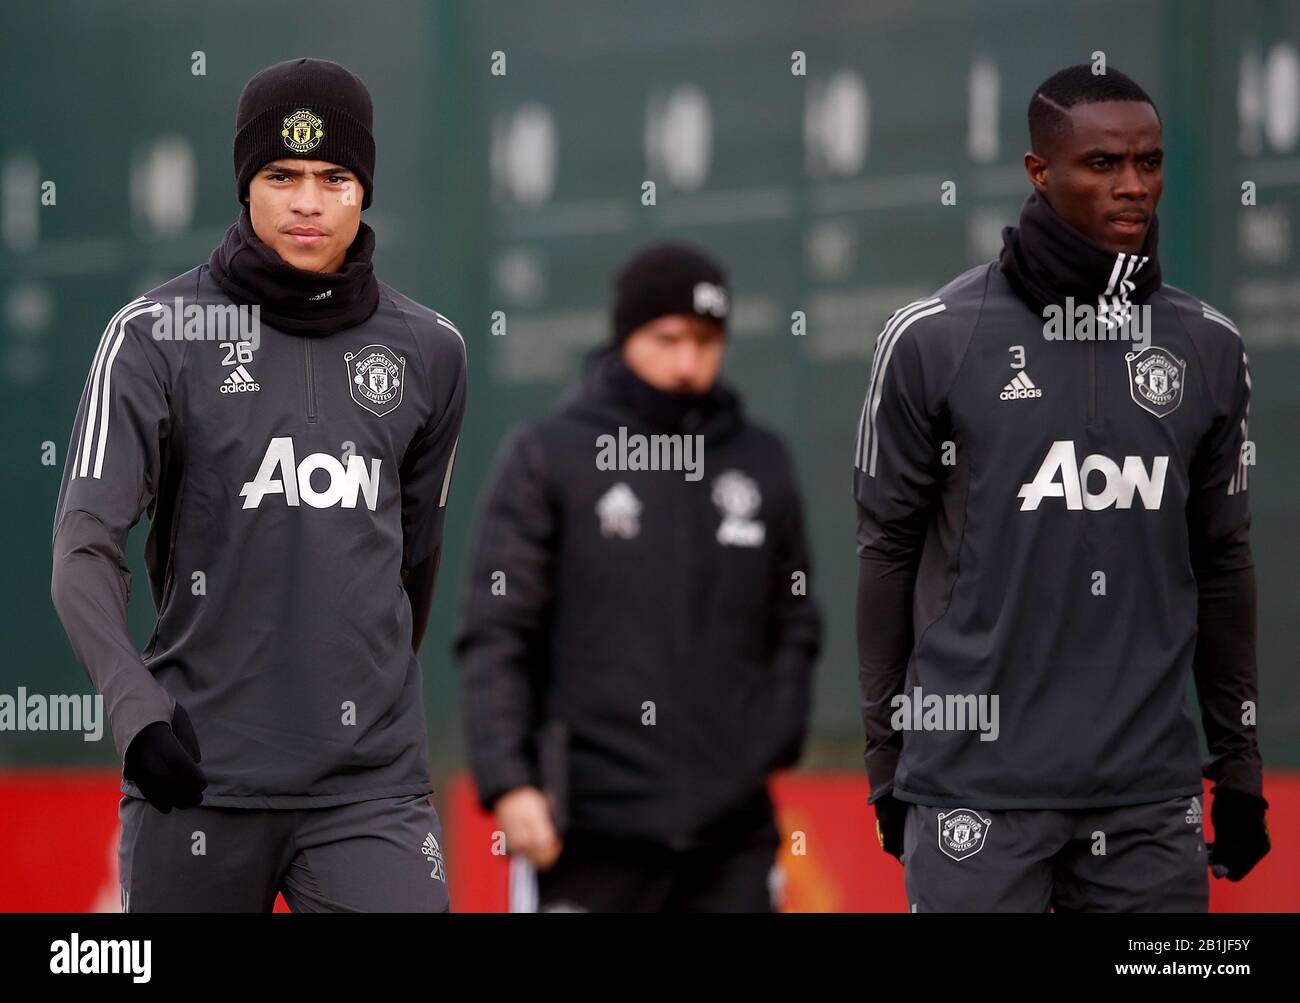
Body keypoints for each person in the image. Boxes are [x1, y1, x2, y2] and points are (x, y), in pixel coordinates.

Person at [50, 57, 466, 912]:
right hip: (196, 776)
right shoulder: (153, 336)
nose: (308, 201)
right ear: (246, 184)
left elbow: (412, 564)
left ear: (364, 188)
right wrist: (136, 712)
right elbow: (83, 547)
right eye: (281, 175)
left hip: (370, 790)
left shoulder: (432, 350)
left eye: (333, 177)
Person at [854, 65, 1269, 912]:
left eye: (1149, 163)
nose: (1133, 185)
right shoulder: (933, 338)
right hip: (974, 790)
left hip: (1149, 798)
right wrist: (886, 758)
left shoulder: (1208, 347)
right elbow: (886, 551)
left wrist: (1240, 764)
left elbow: (1223, 562)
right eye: (1103, 163)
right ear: (1040, 172)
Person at [458, 241, 821, 912]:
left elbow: (795, 622)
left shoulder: (760, 460)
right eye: (667, 339)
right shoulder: (550, 454)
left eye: (706, 341)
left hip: (731, 836)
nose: (687, 363)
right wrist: (510, 780)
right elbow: (498, 629)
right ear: (626, 335)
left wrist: (764, 745)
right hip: (587, 835)